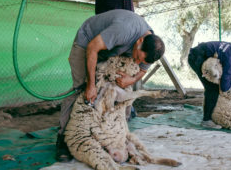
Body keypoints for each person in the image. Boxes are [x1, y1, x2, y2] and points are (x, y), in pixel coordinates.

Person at [56, 9, 165, 162]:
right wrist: (91, 85)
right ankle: (63, 138)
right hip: (88, 42)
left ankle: (116, 135)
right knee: (81, 89)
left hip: (110, 50)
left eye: (142, 60)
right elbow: (92, 49)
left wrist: (131, 80)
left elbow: (142, 70)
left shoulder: (150, 47)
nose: (138, 62)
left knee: (122, 90)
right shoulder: (124, 30)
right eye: (138, 58)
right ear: (139, 41)